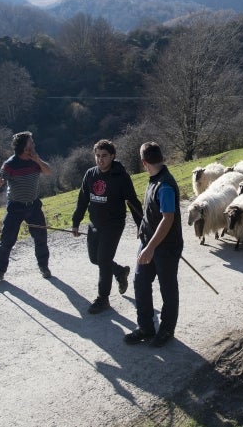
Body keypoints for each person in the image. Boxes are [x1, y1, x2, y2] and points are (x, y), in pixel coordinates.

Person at [71, 139, 144, 314]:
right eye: (97, 156)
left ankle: (103, 299)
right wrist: (75, 222)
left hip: (113, 225)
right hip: (95, 223)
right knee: (95, 258)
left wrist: (141, 225)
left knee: (103, 260)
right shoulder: (90, 174)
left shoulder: (121, 177)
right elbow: (82, 200)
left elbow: (133, 202)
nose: (100, 160)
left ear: (112, 156)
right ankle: (120, 272)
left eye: (104, 156)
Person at [124, 141, 183, 348]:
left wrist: (150, 248)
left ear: (143, 162)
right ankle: (146, 328)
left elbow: (167, 219)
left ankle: (166, 330)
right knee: (140, 282)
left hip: (165, 247)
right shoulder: (154, 179)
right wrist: (143, 230)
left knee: (167, 289)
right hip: (148, 241)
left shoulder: (165, 185)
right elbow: (152, 213)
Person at [0, 131, 53, 282]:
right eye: (31, 143)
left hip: (34, 206)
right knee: (7, 240)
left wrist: (38, 160)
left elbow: (48, 171)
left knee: (41, 238)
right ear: (25, 148)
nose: (34, 145)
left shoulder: (35, 161)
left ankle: (44, 266)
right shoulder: (10, 164)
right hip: (15, 208)